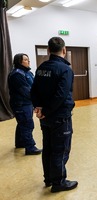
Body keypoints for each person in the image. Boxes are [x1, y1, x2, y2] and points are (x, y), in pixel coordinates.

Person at [31, 37, 78, 192]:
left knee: (48, 148)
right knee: (60, 149)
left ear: (49, 50)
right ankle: (59, 183)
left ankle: (49, 179)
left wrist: (38, 109)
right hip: (59, 117)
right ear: (64, 50)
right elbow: (61, 95)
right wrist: (46, 110)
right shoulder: (65, 69)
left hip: (45, 117)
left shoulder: (41, 67)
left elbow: (33, 91)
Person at [8, 53, 42, 155]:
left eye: (28, 59)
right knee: (27, 124)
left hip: (26, 103)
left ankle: (20, 143)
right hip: (20, 104)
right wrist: (38, 102)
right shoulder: (17, 74)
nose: (28, 61)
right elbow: (26, 92)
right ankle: (30, 147)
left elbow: (34, 86)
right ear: (19, 61)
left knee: (22, 123)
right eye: (26, 60)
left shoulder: (27, 73)